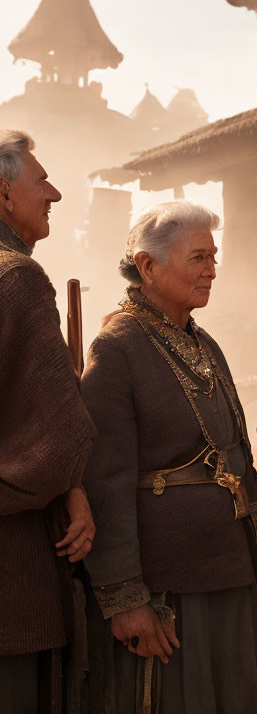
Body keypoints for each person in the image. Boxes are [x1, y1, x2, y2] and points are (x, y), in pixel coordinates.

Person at [81, 201, 257, 714]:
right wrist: (125, 599)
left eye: (213, 257)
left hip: (231, 570)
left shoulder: (205, 344)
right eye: (198, 257)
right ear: (148, 266)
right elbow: (103, 483)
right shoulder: (117, 348)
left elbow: (237, 456)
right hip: (166, 588)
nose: (212, 270)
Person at [0, 130, 96, 713]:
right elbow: (60, 438)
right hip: (12, 565)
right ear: (4, 195)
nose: (55, 192)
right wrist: (70, 481)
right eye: (41, 183)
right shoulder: (18, 278)